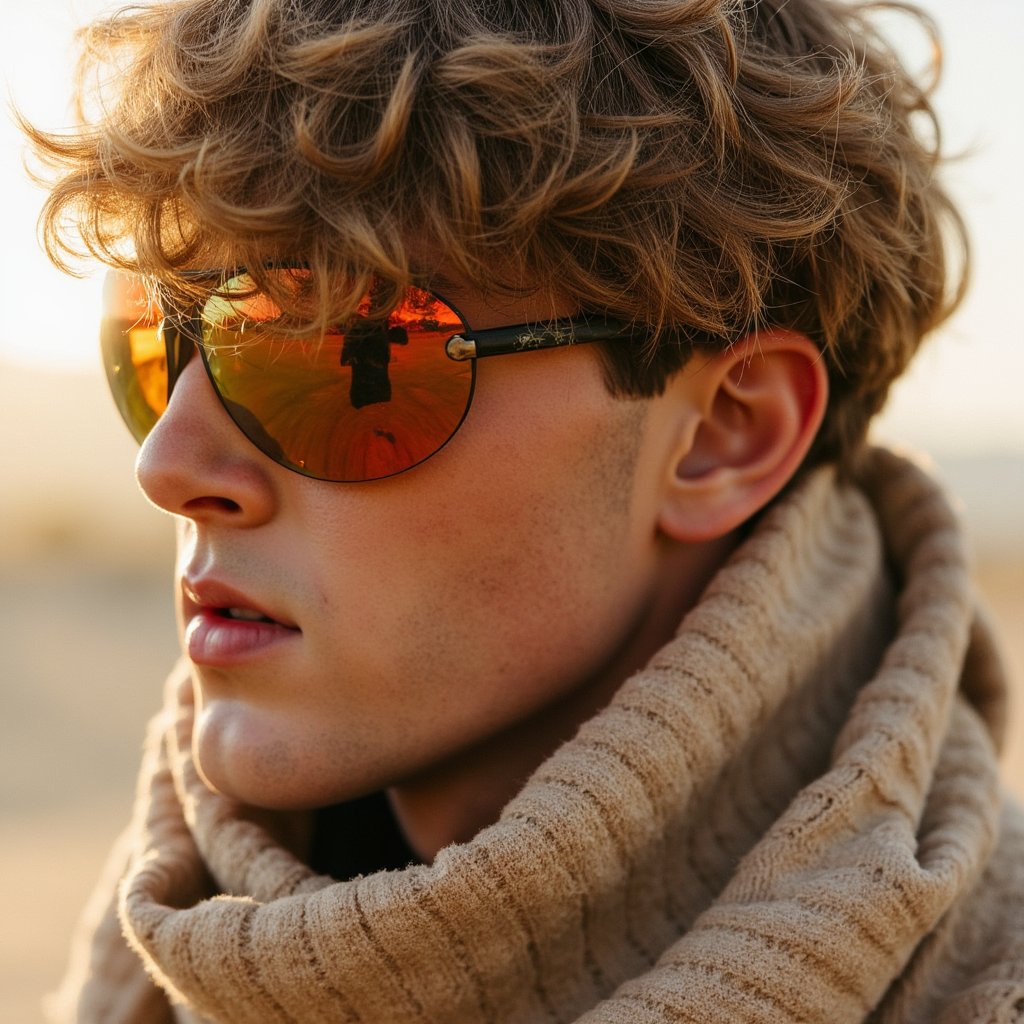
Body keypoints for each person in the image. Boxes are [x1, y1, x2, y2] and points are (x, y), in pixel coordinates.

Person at [26, 0, 1023, 1020]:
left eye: (335, 354)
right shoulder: (146, 957)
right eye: (158, 336)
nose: (167, 463)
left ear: (726, 434)